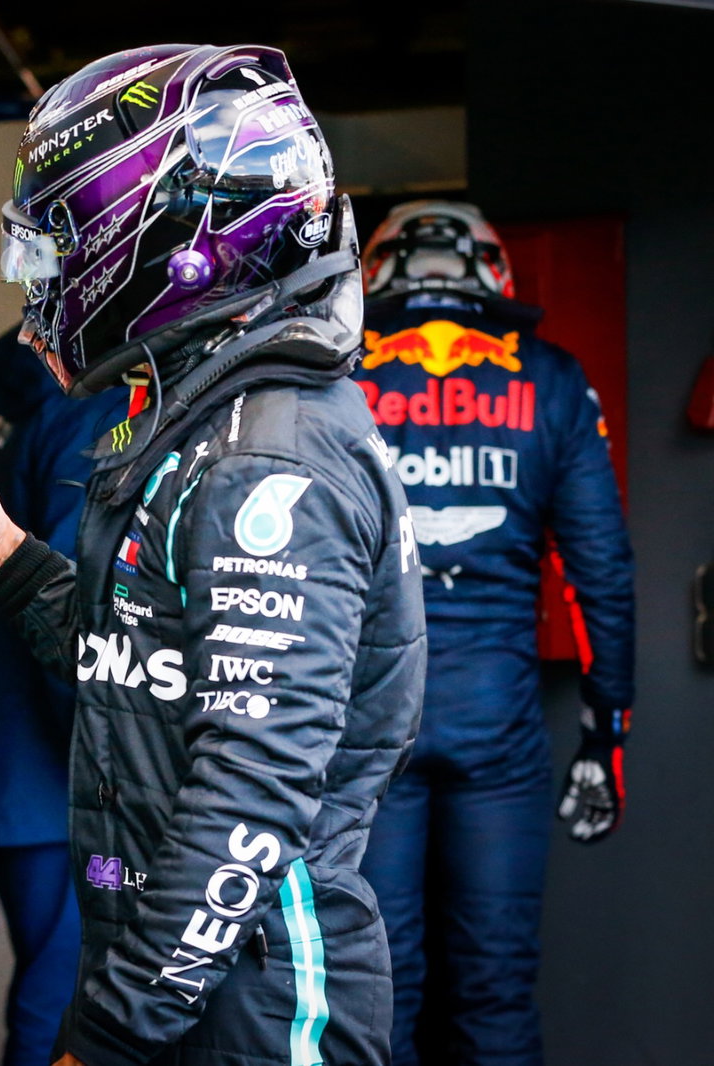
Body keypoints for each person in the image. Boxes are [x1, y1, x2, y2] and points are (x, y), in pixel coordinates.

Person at [0, 44, 426, 1066]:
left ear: (167, 247)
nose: (38, 281)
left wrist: (107, 1033)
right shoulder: (203, 425)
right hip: (178, 979)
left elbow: (251, 794)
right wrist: (5, 558)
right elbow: (146, 667)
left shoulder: (267, 459)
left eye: (59, 248)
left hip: (250, 1005)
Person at [351, 201, 636, 1066]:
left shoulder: (332, 377)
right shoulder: (552, 380)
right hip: (498, 727)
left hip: (364, 728)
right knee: (496, 990)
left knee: (374, 992)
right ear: (495, 273)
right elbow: (601, 575)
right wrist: (606, 735)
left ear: (376, 271)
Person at [0, 326, 126, 1066]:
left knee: (58, 996)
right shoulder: (93, 413)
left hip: (26, 776)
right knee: (69, 1005)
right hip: (66, 782)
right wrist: (123, 780)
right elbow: (86, 611)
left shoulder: (45, 402)